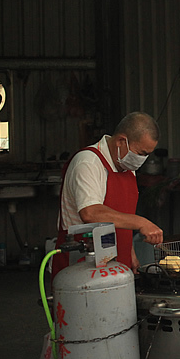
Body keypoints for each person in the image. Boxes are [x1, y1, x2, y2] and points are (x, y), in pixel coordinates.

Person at [53, 111, 164, 277]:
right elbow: (90, 213)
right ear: (121, 141)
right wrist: (141, 222)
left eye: (147, 155)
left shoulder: (126, 167)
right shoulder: (88, 162)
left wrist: (130, 252)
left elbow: (121, 217)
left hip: (117, 266)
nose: (142, 160)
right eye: (140, 153)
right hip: (82, 266)